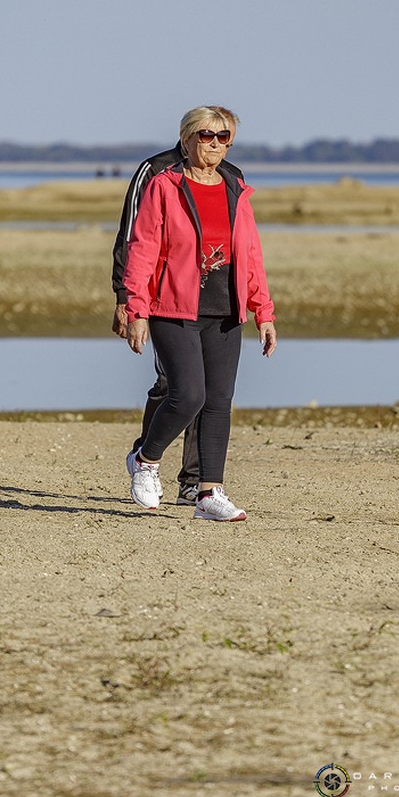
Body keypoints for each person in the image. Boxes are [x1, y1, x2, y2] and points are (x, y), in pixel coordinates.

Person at [121, 106, 277, 521]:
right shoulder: (164, 185)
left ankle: (208, 493)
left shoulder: (236, 188)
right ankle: (146, 460)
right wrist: (135, 307)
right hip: (172, 305)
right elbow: (142, 248)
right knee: (188, 393)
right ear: (187, 139)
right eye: (206, 135)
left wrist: (263, 310)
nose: (214, 144)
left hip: (225, 308)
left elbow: (251, 252)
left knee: (218, 402)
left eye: (223, 137)